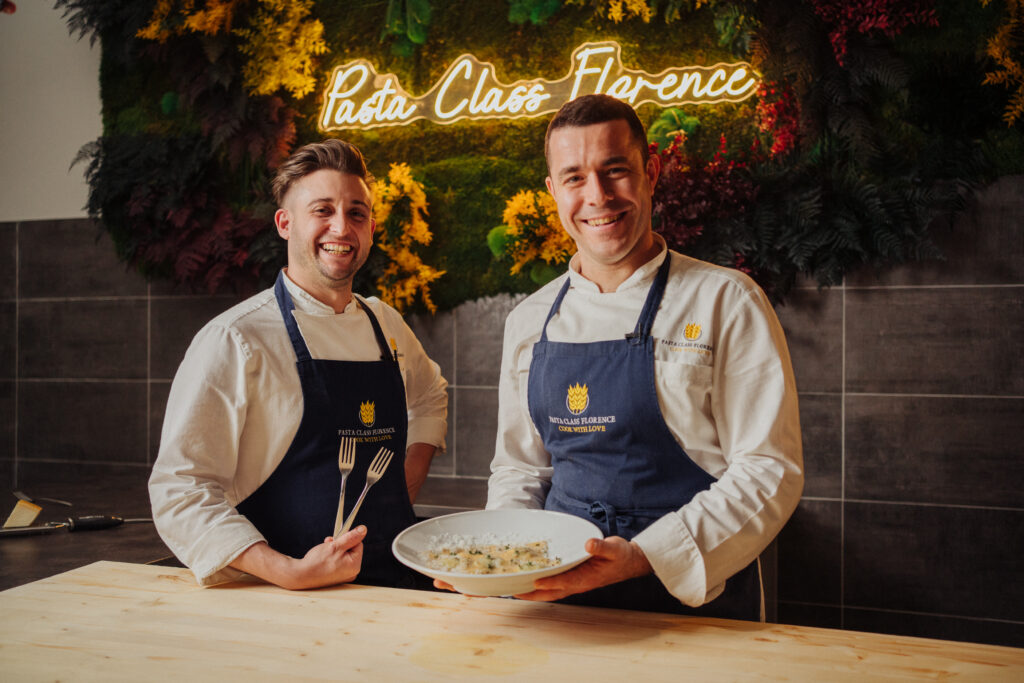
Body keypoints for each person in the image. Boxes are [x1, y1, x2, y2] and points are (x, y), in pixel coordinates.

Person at [481, 94, 803, 620]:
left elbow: (770, 469)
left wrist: (645, 556)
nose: (598, 196)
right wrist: (504, 559)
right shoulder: (528, 321)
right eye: (574, 178)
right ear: (553, 192)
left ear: (651, 171)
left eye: (615, 171)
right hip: (559, 602)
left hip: (691, 601)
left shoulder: (726, 300)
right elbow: (520, 469)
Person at [150, 139, 448, 590]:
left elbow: (429, 395)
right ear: (285, 224)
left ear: (371, 227)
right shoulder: (236, 339)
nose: (341, 227)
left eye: (356, 213)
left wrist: (403, 482)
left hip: (394, 583)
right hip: (280, 598)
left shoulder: (383, 321)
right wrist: (287, 571)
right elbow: (180, 489)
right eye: (322, 210)